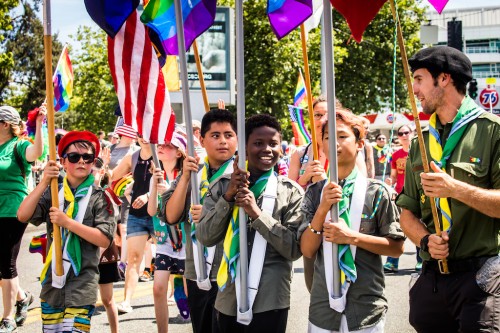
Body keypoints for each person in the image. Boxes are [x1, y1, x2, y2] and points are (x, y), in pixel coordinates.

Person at [396, 46, 500, 332]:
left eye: (419, 79)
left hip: (481, 279)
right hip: (432, 282)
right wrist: (426, 241)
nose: (414, 90)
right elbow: (406, 212)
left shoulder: (492, 131)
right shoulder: (419, 139)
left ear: (444, 79)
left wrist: (455, 189)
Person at [197, 114, 304, 332]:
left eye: (273, 143)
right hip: (228, 296)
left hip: (270, 298)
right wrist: (227, 198)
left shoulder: (290, 192)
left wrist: (257, 214)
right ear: (243, 147)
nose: (267, 149)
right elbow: (205, 236)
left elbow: (294, 249)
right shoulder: (221, 186)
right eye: (258, 143)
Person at [300, 111, 405, 332]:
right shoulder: (315, 192)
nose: (334, 143)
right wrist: (322, 210)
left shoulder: (377, 192)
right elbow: (307, 250)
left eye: (342, 136)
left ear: (359, 143)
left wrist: (352, 237)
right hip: (323, 310)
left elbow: (396, 248)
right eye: (328, 137)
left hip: (366, 308)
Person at [17, 131, 115, 333]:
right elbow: (22, 215)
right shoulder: (53, 192)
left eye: (87, 158)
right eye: (74, 157)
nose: (81, 162)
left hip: (82, 282)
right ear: (63, 161)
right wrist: (44, 181)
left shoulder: (100, 197)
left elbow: (104, 239)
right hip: (53, 283)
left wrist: (67, 222)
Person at [161, 108, 238, 333]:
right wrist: (185, 178)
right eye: (215, 136)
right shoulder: (194, 174)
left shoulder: (242, 174)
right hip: (198, 272)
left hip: (230, 272)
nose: (223, 141)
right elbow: (171, 215)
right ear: (201, 140)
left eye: (228, 135)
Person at [0, 105, 45, 332]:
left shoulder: (18, 146)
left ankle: (7, 317)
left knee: (6, 263)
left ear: (5, 124)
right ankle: (23, 297)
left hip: (13, 210)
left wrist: (39, 124)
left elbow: (36, 152)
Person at [147, 133, 188, 333]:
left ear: (179, 152)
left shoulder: (187, 176)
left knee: (192, 291)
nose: (160, 147)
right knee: (158, 289)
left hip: (186, 241)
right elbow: (151, 211)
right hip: (164, 241)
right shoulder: (157, 173)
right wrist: (155, 188)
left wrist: (168, 192)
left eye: (167, 145)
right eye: (159, 144)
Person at [112, 136, 153, 314]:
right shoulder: (132, 157)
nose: (144, 138)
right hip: (136, 214)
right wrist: (104, 165)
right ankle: (127, 301)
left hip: (160, 215)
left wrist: (149, 196)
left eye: (148, 133)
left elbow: (171, 184)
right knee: (133, 258)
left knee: (170, 259)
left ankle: (173, 294)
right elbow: (112, 177)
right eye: (141, 133)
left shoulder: (163, 154)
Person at [383, 124, 419, 272]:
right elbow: (393, 175)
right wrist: (390, 183)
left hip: (417, 195)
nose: (404, 136)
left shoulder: (419, 151)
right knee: (397, 227)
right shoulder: (396, 155)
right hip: (400, 195)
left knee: (419, 227)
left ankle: (421, 260)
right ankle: (392, 262)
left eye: (406, 132)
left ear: (413, 133)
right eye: (400, 133)